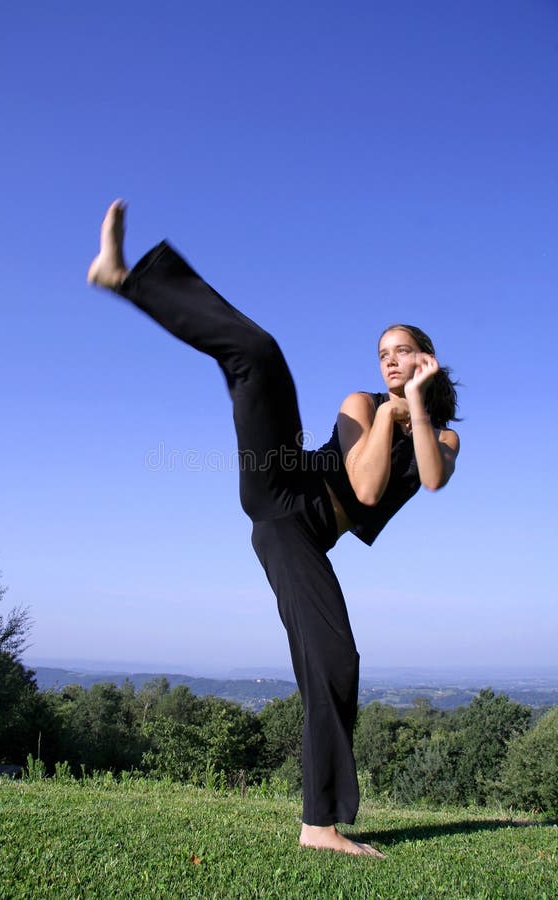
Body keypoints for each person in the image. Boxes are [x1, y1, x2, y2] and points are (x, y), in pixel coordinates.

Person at [88, 200, 460, 859]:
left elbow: (429, 477)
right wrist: (386, 416)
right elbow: (366, 484)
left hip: (300, 535)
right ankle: (125, 276)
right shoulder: (360, 404)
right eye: (383, 354)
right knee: (259, 354)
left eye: (403, 351)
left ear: (427, 359)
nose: (390, 362)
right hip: (286, 485)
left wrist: (416, 415)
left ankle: (319, 824)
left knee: (335, 659)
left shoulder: (443, 436)